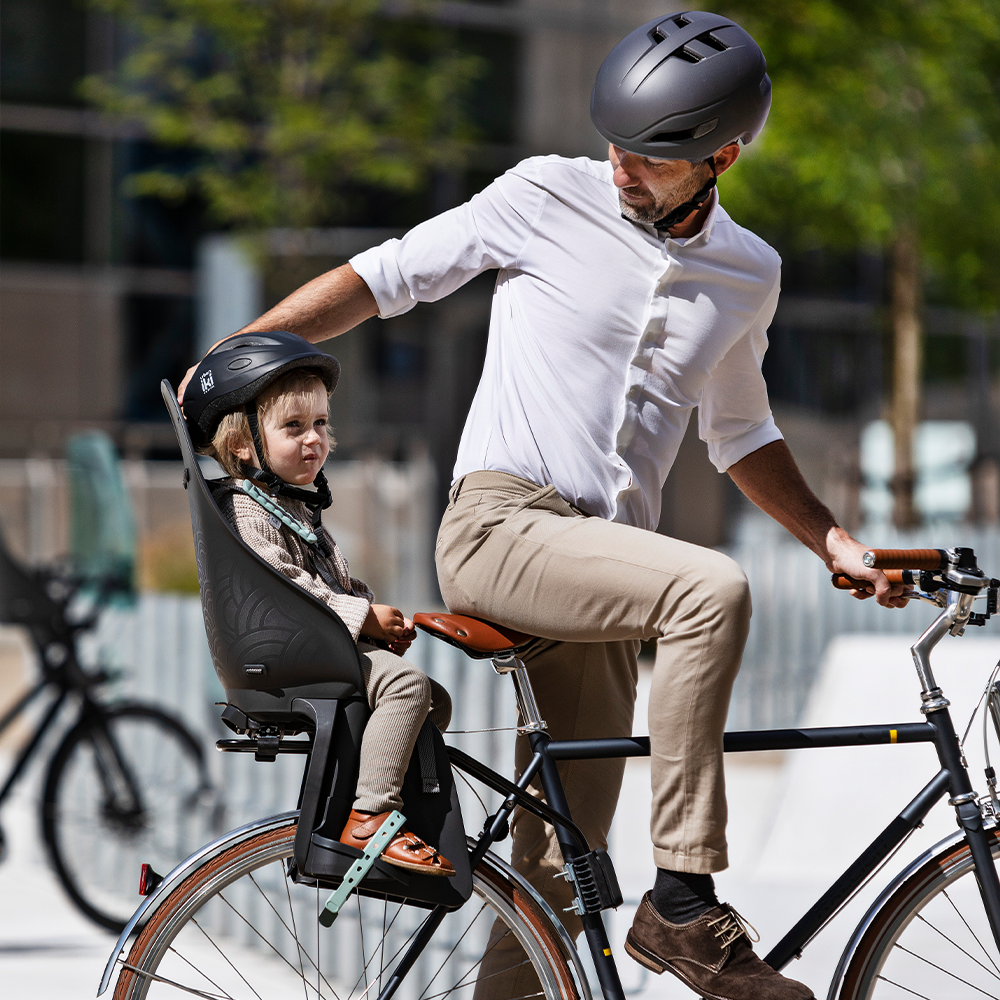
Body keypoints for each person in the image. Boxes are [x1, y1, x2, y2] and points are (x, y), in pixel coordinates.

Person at [179, 12, 908, 999]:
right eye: (614, 144)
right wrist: (231, 358)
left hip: (604, 573)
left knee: (554, 878)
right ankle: (685, 904)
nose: (619, 169)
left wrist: (832, 540)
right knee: (710, 591)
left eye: (650, 159)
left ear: (721, 157)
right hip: (499, 529)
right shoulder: (541, 195)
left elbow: (739, 433)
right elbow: (384, 279)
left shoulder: (748, 274)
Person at [185, 330, 455, 876]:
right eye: (293, 427)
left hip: (313, 643)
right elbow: (284, 587)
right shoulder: (247, 509)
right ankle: (371, 816)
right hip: (290, 650)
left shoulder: (290, 506)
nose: (314, 440)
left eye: (321, 425)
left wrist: (372, 621)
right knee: (405, 686)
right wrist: (361, 617)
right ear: (242, 445)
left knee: (434, 704)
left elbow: (330, 581)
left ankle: (371, 789)